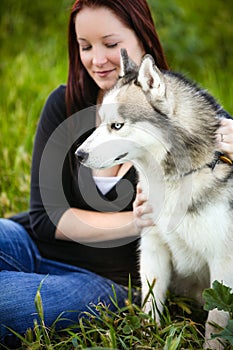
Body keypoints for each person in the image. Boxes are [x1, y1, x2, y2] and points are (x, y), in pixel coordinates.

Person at [0, 0, 233, 347]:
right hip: (32, 243)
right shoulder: (64, 105)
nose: (97, 59)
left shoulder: (188, 116)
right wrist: (136, 221)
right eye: (85, 46)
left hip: (103, 280)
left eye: (111, 44)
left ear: (144, 39)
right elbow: (46, 219)